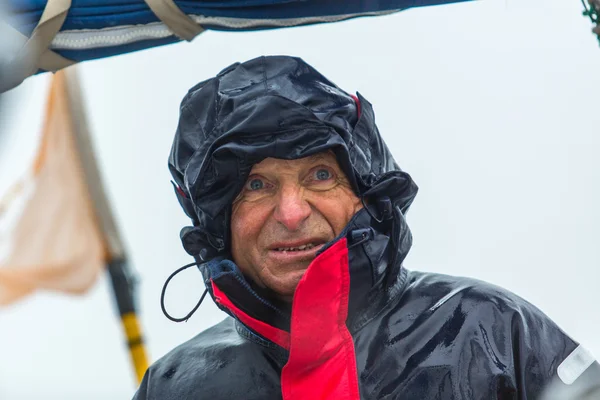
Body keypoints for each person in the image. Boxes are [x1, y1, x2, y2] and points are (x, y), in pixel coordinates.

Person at [133, 56, 600, 399]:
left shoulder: (494, 330)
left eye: (320, 175)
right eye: (257, 185)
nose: (291, 212)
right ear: (217, 221)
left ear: (367, 193)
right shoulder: (174, 386)